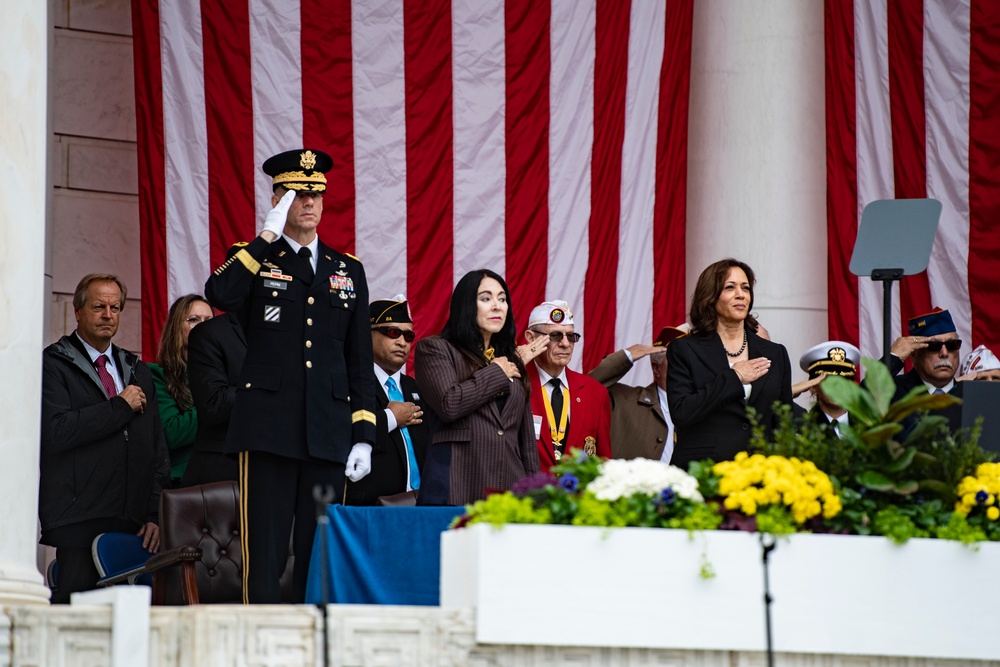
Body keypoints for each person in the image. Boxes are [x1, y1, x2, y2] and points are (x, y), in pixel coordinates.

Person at [204, 148, 377, 603]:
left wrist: (363, 435)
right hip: (269, 429)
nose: (309, 202)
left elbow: (358, 361)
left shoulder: (348, 270)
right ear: (278, 197)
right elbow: (219, 293)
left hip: (328, 430)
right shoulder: (255, 257)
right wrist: (266, 235)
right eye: (297, 193)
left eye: (316, 193)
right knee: (266, 553)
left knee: (317, 554)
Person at [39, 273, 169, 602]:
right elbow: (56, 431)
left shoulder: (136, 368)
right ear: (78, 311)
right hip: (79, 518)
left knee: (129, 626)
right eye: (98, 306)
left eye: (115, 307)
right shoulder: (54, 363)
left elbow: (158, 447)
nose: (108, 315)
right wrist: (119, 407)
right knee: (76, 618)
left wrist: (154, 514)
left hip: (133, 523)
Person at [414, 269, 542, 505]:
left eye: (502, 299)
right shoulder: (435, 349)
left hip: (509, 492)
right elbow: (449, 404)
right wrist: (497, 373)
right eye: (486, 298)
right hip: (457, 486)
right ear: (466, 305)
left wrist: (536, 496)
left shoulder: (510, 359)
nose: (497, 306)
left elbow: (525, 440)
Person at [667, 258, 793, 470]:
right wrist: (734, 378)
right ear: (710, 297)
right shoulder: (685, 350)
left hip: (761, 475)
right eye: (729, 287)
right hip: (705, 473)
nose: (740, 294)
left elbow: (783, 421)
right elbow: (682, 412)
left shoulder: (775, 352)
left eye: (745, 288)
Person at [346, 296, 429, 505]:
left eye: (408, 336)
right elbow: (341, 432)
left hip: (422, 504)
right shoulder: (349, 382)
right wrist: (390, 418)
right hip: (369, 508)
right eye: (392, 332)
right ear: (367, 334)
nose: (402, 342)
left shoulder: (417, 388)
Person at [522, 300, 611, 468]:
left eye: (571, 336)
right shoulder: (516, 384)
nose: (565, 343)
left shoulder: (595, 393)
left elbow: (603, 462)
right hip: (528, 492)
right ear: (531, 338)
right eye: (555, 336)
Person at [588, 325, 687, 462]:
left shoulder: (703, 407)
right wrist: (625, 357)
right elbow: (587, 389)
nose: (687, 367)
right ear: (656, 368)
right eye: (679, 360)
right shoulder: (623, 400)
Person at [148, 294, 214, 486]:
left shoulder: (226, 375)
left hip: (226, 474)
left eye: (209, 321)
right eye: (193, 320)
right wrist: (216, 404)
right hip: (185, 481)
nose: (203, 326)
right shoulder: (157, 374)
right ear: (176, 328)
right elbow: (171, 432)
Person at [181, 311, 246, 486]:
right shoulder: (211, 333)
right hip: (223, 473)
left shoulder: (296, 333)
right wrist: (266, 389)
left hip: (282, 469)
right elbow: (214, 403)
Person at [798, 340, 861, 436]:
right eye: (829, 381)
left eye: (844, 380)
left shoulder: (867, 427)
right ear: (813, 386)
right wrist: (789, 392)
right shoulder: (803, 427)